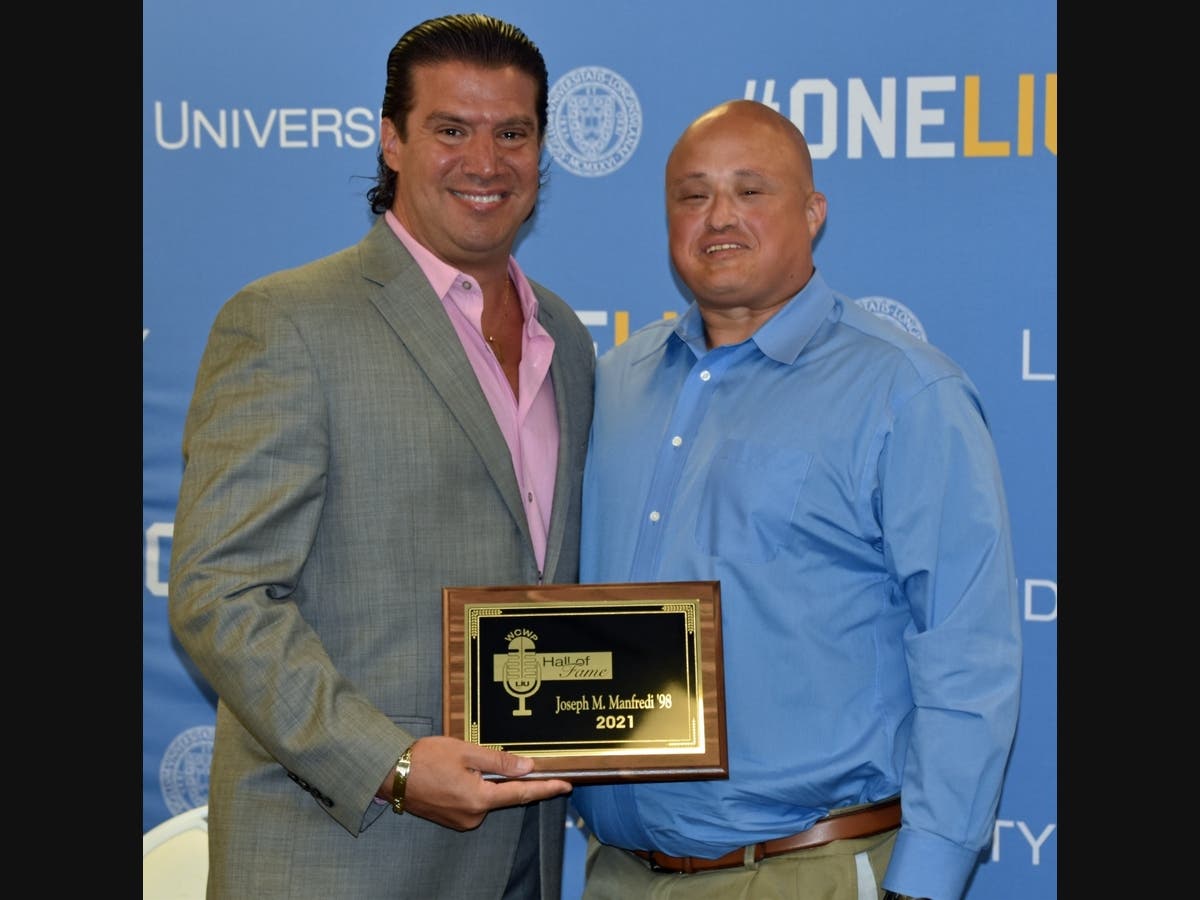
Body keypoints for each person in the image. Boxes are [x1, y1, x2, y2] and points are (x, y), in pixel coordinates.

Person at [168, 13, 595, 899]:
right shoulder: (287, 322)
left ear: (541, 151)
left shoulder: (566, 338)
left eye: (513, 133)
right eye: (452, 130)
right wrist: (389, 765)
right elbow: (221, 595)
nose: (486, 162)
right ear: (392, 142)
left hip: (524, 853)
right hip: (344, 857)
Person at [570, 99, 1022, 900]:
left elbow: (967, 650)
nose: (719, 216)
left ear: (813, 213)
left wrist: (926, 880)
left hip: (807, 870)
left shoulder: (905, 391)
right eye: (693, 195)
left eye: (750, 191)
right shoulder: (615, 382)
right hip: (620, 873)